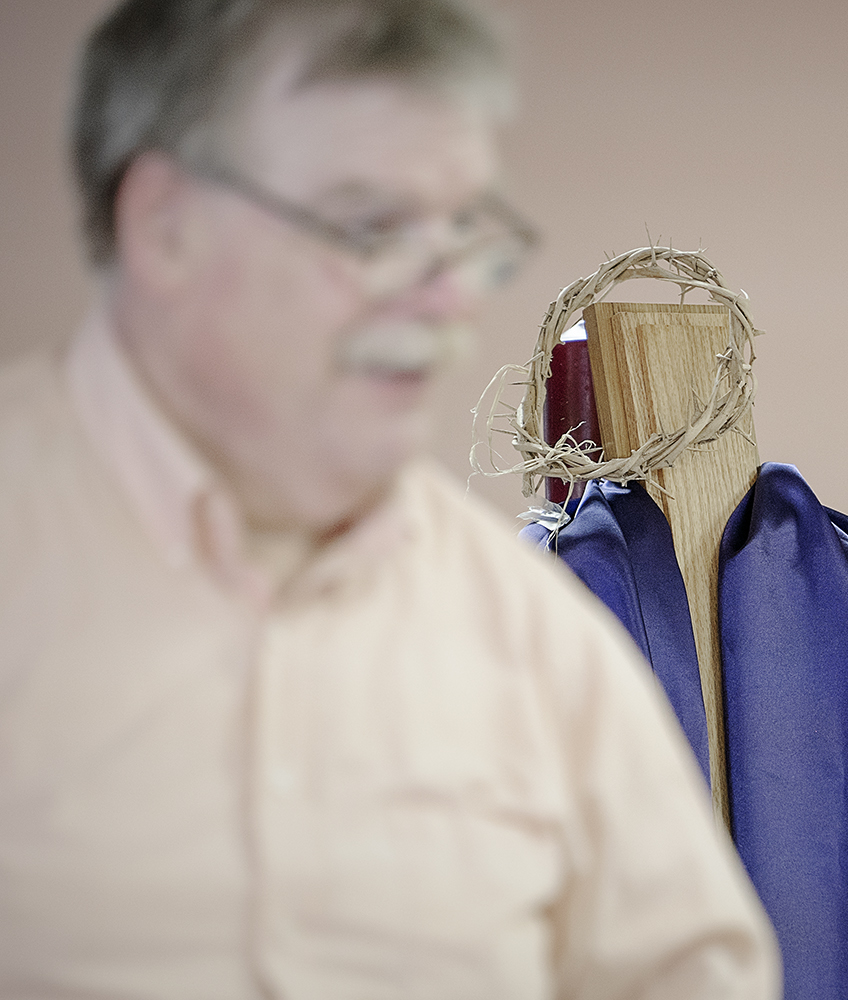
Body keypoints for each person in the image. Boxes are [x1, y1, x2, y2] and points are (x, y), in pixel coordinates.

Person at [0, 1, 779, 996]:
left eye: (461, 231)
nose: (450, 294)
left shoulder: (540, 640)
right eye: (372, 226)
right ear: (165, 226)